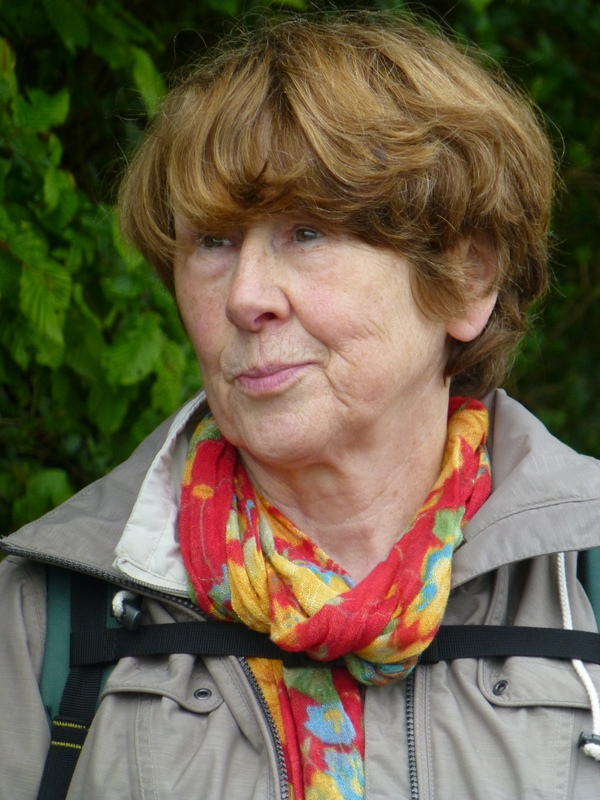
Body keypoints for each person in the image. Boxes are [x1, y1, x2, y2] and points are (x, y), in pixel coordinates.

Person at [2, 12, 600, 800]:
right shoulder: (47, 621)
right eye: (212, 242)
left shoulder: (584, 582)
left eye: (307, 232)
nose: (244, 296)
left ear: (466, 278)